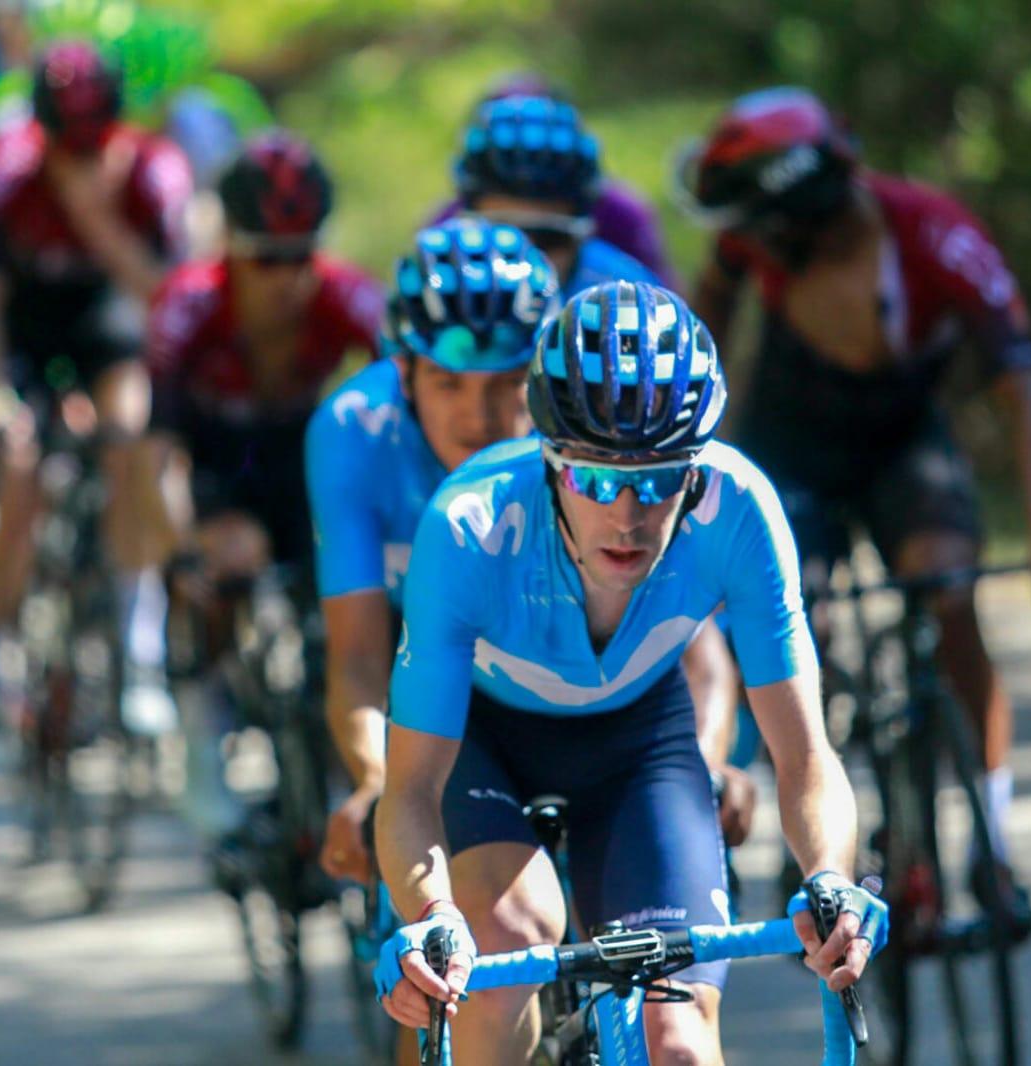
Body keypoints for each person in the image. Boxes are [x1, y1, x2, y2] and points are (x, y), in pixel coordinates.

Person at [372, 281, 886, 1065]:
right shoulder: (469, 523)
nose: (628, 514)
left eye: (658, 478)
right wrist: (433, 912)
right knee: (510, 939)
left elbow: (807, 757)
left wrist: (830, 880)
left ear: (698, 468)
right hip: (485, 742)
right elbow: (407, 790)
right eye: (597, 479)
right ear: (549, 464)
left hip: (638, 741)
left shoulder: (740, 508)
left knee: (674, 1042)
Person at [680, 87, 1031, 904]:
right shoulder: (751, 242)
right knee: (800, 618)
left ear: (816, 209)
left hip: (903, 439)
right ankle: (820, 829)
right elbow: (709, 313)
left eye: (776, 234)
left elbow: (1022, 379)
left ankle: (992, 840)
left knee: (948, 593)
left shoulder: (934, 234)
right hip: (792, 437)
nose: (763, 249)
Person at [306, 219, 751, 897]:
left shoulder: (586, 445)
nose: (478, 414)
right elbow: (360, 652)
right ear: (404, 373)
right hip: (421, 653)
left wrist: (707, 769)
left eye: (506, 383)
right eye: (449, 384)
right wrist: (376, 777)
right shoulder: (352, 433)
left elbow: (692, 645)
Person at [123, 130, 383, 838]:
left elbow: (418, 406)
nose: (285, 279)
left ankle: (341, 770)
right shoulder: (187, 305)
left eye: (300, 258)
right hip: (216, 457)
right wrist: (180, 552)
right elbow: (161, 454)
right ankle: (205, 739)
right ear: (231, 246)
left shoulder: (349, 295)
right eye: (266, 259)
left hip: (301, 447)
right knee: (227, 565)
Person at [0, 39, 192, 745]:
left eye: (94, 144)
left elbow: (166, 296)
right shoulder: (6, 169)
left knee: (133, 437)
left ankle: (137, 641)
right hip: (24, 324)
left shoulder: (154, 169)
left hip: (105, 319)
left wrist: (96, 218)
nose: (78, 158)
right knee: (20, 473)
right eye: (66, 144)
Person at [432, 85, 678, 288]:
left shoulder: (626, 288)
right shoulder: (435, 277)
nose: (524, 264)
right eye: (500, 238)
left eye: (548, 240)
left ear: (584, 233)